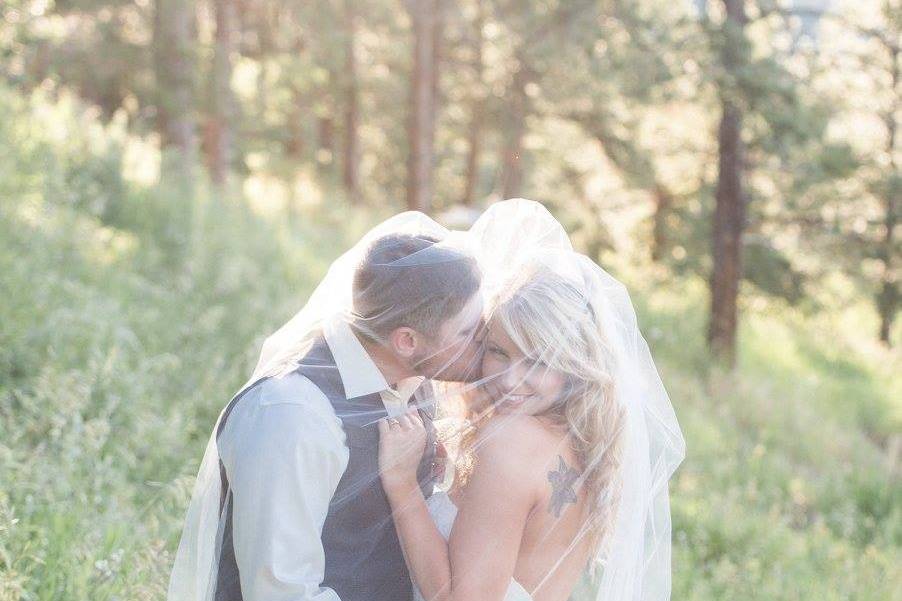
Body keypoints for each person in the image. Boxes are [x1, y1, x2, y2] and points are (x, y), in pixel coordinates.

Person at [377, 202, 685, 601]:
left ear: (575, 364)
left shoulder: (512, 440)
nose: (509, 379)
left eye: (537, 360)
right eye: (499, 351)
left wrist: (404, 489)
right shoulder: (584, 440)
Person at [167, 218, 485, 601]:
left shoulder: (412, 383)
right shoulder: (291, 415)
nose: (482, 342)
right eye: (467, 333)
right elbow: (281, 593)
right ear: (406, 341)